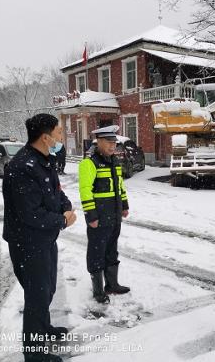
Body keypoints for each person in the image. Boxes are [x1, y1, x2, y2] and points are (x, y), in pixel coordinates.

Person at [2, 113, 77, 362]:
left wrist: (66, 206)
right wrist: (64, 220)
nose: (61, 137)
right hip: (28, 244)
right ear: (45, 137)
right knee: (36, 297)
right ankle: (35, 355)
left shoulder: (45, 160)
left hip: (44, 240)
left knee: (47, 290)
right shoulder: (22, 167)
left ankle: (43, 329)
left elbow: (57, 192)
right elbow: (30, 215)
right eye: (58, 133)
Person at [78, 125, 130, 304]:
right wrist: (90, 216)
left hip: (114, 216)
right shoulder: (89, 163)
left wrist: (124, 205)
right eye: (109, 142)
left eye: (114, 142)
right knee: (96, 252)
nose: (112, 146)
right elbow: (85, 190)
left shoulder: (115, 161)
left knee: (111, 250)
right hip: (99, 218)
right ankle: (98, 290)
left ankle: (112, 284)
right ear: (98, 142)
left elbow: (120, 186)